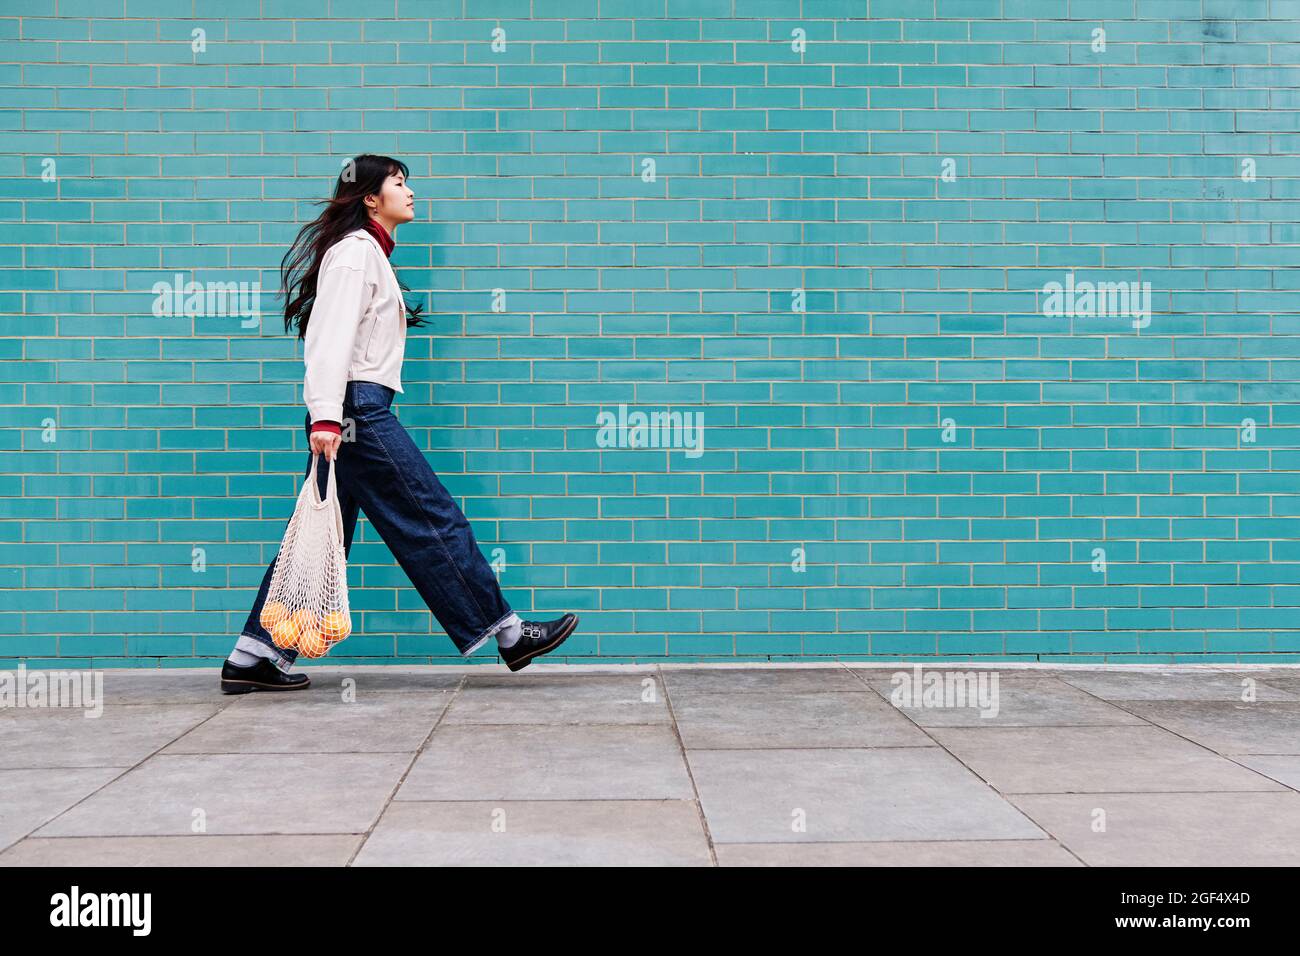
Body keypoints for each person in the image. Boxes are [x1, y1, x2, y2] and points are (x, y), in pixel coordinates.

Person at [221, 154, 578, 693]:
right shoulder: (354, 255)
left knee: (323, 537)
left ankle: (253, 656)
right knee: (432, 516)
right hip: (354, 413)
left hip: (352, 412)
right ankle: (508, 633)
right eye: (399, 183)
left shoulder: (370, 256)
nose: (410, 192)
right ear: (371, 197)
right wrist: (325, 418)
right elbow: (327, 340)